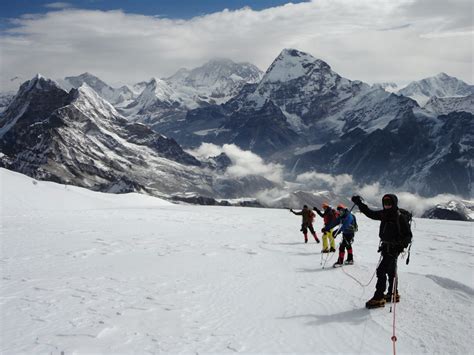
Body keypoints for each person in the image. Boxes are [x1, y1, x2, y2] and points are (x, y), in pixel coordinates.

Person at [351, 194, 412, 309]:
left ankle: (379, 297)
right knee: (390, 270)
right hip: (386, 247)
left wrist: (399, 245)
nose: (387, 205)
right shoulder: (384, 214)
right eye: (385, 203)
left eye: (389, 203)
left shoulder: (399, 217)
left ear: (394, 203)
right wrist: (359, 203)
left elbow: (408, 236)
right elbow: (370, 213)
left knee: (381, 270)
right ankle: (393, 293)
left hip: (394, 249)